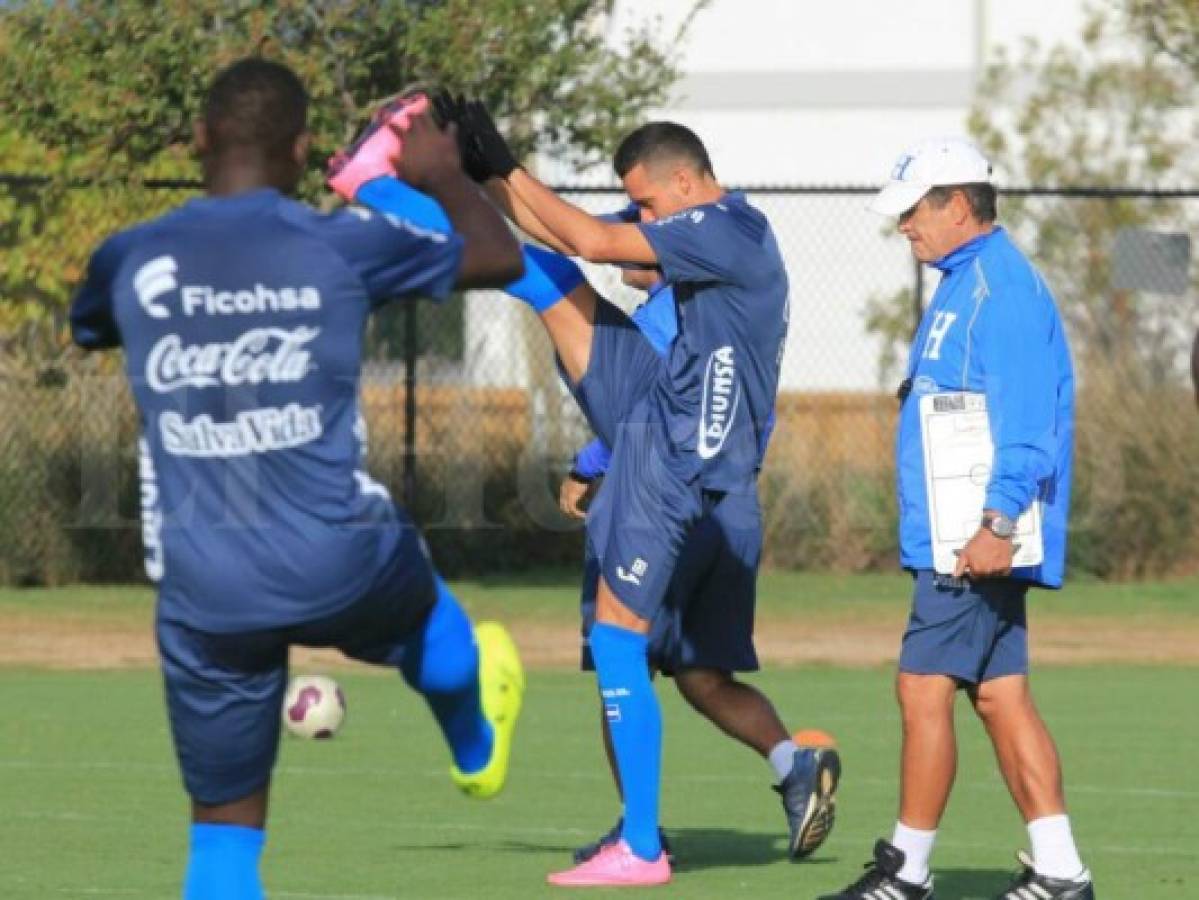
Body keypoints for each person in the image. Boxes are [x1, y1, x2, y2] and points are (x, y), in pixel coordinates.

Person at [69, 58, 526, 900]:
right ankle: (470, 732)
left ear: (201, 139)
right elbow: (498, 257)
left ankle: (467, 717)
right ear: (303, 145)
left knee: (221, 844)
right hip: (337, 555)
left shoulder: (130, 256)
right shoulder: (338, 244)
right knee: (430, 621)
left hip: (206, 588)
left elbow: (89, 324)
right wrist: (441, 176)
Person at [449, 101, 839, 888]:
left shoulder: (717, 239)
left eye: (650, 209)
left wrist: (501, 169)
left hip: (670, 479)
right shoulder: (717, 246)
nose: (638, 225)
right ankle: (790, 763)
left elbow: (581, 249)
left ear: (689, 186)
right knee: (698, 674)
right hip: (720, 491)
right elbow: (566, 237)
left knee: (618, 647)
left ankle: (639, 841)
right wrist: (496, 172)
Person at [818, 138, 1092, 900]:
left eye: (913, 211)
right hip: (958, 530)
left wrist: (997, 523)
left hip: (973, 536)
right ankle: (1061, 871)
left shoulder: (996, 289)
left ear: (959, 205)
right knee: (1000, 695)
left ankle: (905, 873)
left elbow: (1029, 420)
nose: (903, 226)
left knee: (920, 687)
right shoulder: (961, 281)